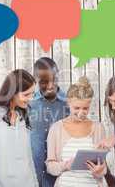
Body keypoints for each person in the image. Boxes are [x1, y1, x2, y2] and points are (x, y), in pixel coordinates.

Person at [0, 69, 38, 187]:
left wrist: (35, 183)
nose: (31, 99)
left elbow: (28, 156)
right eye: (26, 94)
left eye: (32, 94)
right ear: (12, 92)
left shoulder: (22, 114)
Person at [46, 76, 108, 187]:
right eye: (77, 108)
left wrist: (100, 171)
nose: (81, 112)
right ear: (68, 103)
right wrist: (66, 165)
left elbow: (104, 167)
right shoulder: (56, 129)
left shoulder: (98, 128)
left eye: (85, 108)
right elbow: (50, 167)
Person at [29, 57, 70, 187]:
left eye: (54, 80)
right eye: (44, 82)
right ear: (36, 80)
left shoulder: (69, 104)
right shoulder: (29, 104)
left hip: (62, 175)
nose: (50, 86)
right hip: (33, 173)